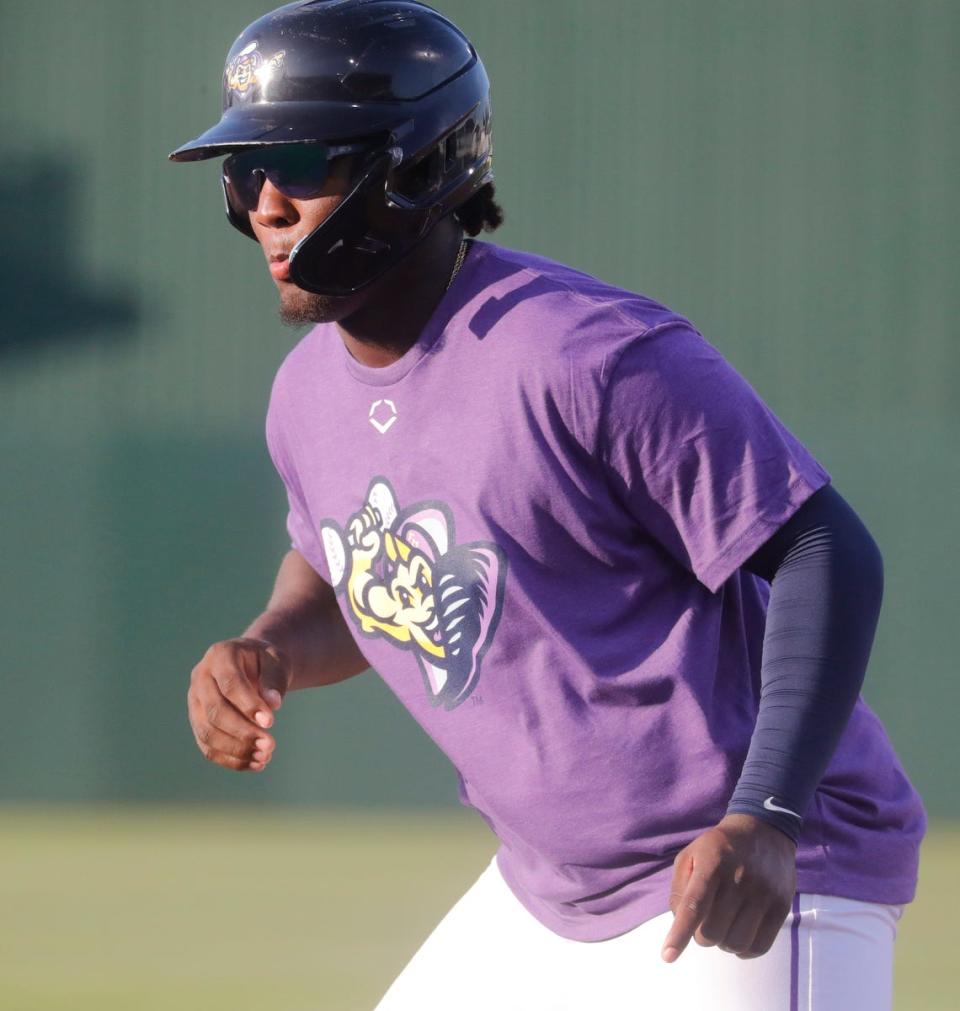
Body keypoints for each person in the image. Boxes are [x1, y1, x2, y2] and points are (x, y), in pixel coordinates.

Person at [172, 2, 926, 1008]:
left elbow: (828, 551)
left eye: (301, 162)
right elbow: (349, 571)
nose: (264, 202)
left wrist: (771, 817)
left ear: (413, 166)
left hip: (744, 874)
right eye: (244, 170)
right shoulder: (306, 393)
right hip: (547, 894)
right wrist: (268, 646)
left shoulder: (585, 355)